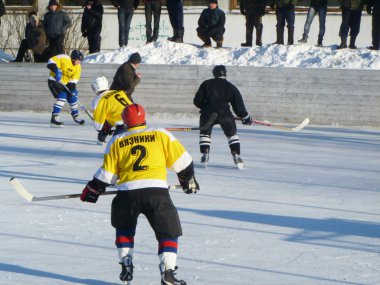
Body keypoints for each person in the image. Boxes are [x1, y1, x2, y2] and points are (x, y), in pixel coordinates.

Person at [80, 103, 199, 285]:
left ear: (125, 121)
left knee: (124, 228)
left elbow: (108, 175)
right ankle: (167, 272)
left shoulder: (117, 140)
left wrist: (93, 190)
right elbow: (184, 163)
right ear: (144, 118)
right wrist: (187, 181)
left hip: (127, 194)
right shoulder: (160, 133)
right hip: (156, 193)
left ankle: (126, 264)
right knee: (168, 232)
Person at [193, 65, 252, 169]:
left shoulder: (206, 84)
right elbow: (238, 106)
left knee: (205, 134)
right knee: (232, 134)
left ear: (214, 73)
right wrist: (245, 117)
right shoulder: (230, 86)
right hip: (225, 114)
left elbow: (197, 101)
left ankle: (205, 154)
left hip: (207, 114)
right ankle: (236, 155)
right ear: (225, 73)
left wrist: (205, 107)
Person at [47, 50, 85, 127]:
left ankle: (75, 116)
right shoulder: (64, 58)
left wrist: (73, 91)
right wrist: (56, 70)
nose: (79, 63)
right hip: (54, 81)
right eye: (78, 60)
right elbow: (50, 61)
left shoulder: (78, 67)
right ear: (73, 59)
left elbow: (73, 81)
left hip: (65, 84)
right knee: (62, 96)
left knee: (73, 97)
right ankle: (54, 117)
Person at [91, 76, 133, 144]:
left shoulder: (99, 100)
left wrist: (102, 130)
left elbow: (98, 126)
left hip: (125, 125)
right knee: (110, 116)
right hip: (139, 120)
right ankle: (102, 138)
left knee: (113, 148)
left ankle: (102, 137)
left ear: (96, 87)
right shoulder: (117, 92)